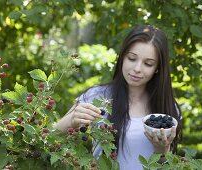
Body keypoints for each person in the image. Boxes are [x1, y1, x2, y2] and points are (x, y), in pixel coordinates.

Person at [54, 25, 182, 170]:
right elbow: (48, 138)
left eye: (148, 63)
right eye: (132, 58)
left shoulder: (168, 110)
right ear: (122, 57)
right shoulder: (97, 96)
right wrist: (71, 120)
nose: (137, 68)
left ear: (157, 68)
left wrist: (162, 150)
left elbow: (168, 165)